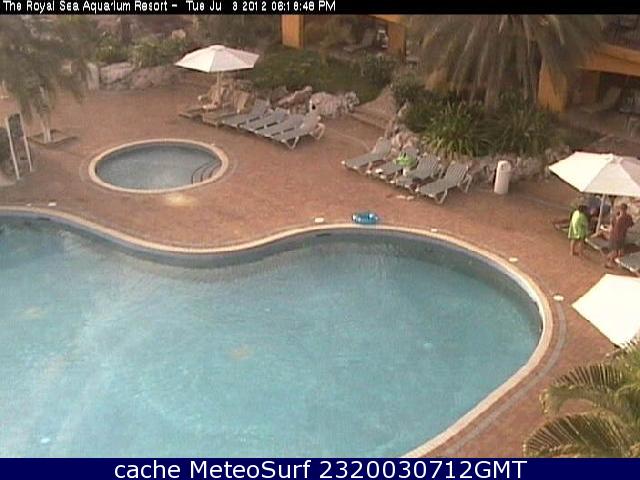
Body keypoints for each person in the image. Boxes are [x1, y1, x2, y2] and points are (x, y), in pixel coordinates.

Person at [606, 203, 635, 268]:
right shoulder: (626, 217)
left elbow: (612, 226)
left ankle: (611, 262)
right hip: (620, 235)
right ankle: (617, 264)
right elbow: (631, 224)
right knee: (620, 250)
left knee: (616, 251)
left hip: (616, 235)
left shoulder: (619, 217)